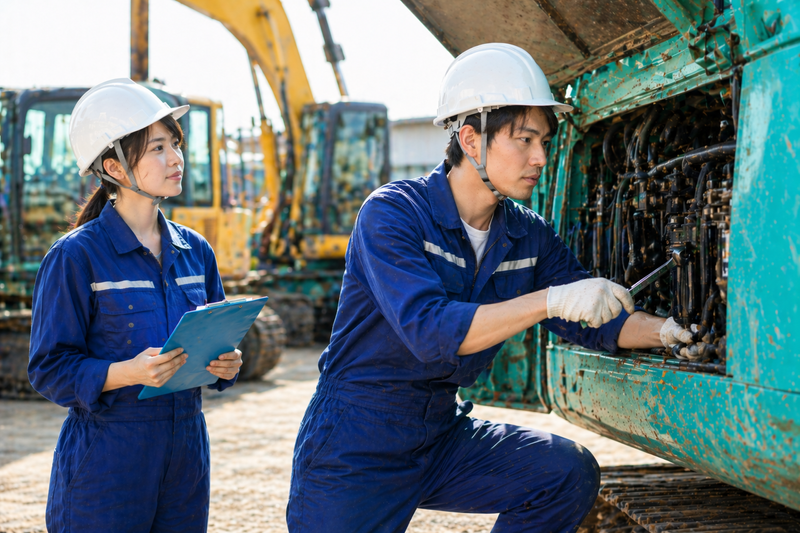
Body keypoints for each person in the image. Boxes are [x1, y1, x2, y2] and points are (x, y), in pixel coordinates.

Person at [286, 44, 695, 532]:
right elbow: (432, 330)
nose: (540, 157)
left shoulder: (528, 232)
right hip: (357, 437)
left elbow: (597, 322)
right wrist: (550, 300)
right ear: (471, 140)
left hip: (440, 430)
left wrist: (669, 331)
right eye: (523, 140)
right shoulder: (393, 213)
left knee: (564, 472)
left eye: (544, 141)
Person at [28, 78, 243, 533]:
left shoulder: (196, 250)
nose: (176, 159)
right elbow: (49, 367)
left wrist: (227, 364)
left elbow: (218, 335)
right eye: (158, 149)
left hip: (185, 450)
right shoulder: (76, 257)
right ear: (116, 167)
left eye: (176, 145)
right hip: (109, 457)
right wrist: (129, 372)